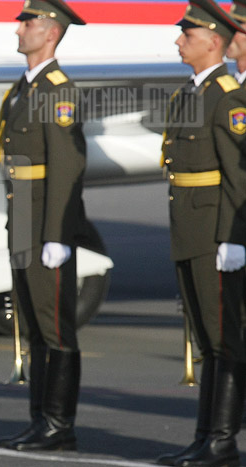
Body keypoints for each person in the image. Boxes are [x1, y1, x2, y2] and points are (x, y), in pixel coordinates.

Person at [0, 0, 88, 452]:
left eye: (27, 23)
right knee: (33, 325)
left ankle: (58, 424)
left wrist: (57, 235)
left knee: (53, 327)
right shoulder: (25, 88)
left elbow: (67, 167)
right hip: (23, 220)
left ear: (50, 32)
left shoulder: (56, 90)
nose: (19, 30)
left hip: (43, 226)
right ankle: (40, 420)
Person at [156, 2, 246, 466]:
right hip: (189, 228)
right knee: (205, 339)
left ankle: (223, 440)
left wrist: (235, 236)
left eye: (186, 35)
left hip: (213, 232)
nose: (178, 41)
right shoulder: (188, 94)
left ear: (213, 41)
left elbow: (237, 175)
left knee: (223, 337)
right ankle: (204, 435)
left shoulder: (228, 97)